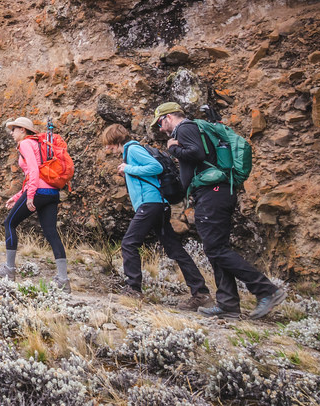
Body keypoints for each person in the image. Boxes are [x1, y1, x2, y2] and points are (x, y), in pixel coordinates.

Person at [153, 102, 286, 319]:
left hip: (212, 193)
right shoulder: (196, 128)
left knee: (215, 249)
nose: (160, 128)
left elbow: (194, 153)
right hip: (216, 193)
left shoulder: (185, 128)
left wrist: (172, 147)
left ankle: (267, 290)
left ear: (168, 117)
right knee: (216, 248)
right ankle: (228, 304)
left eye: (160, 122)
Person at [101, 123, 210, 308]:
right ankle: (201, 293)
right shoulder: (131, 151)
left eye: (108, 143)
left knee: (129, 243)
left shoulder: (133, 149)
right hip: (157, 204)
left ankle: (133, 289)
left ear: (115, 140)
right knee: (174, 249)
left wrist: (128, 169)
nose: (107, 148)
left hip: (150, 204)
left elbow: (156, 167)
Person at [0, 116, 70, 291]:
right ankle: (63, 280)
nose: (11, 133)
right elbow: (35, 175)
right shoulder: (39, 144)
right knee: (51, 232)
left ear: (23, 130)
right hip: (52, 192)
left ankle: (9, 269)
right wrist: (17, 197)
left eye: (14, 129)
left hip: (37, 192)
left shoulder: (25, 144)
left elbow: (34, 171)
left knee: (10, 223)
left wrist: (30, 197)